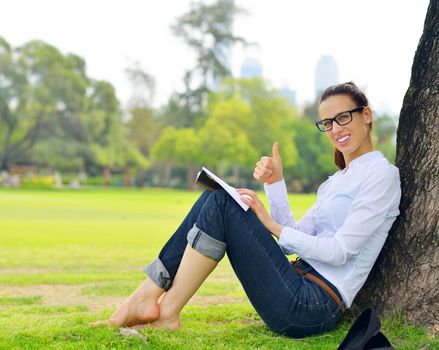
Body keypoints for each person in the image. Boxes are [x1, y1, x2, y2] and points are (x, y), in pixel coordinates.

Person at [91, 81, 401, 338]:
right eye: (327, 123)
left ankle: (162, 308)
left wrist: (270, 224)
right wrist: (276, 182)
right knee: (217, 198)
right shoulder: (336, 182)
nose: (336, 129)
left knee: (223, 202)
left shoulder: (381, 175)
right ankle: (148, 299)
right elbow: (291, 239)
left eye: (343, 117)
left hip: (313, 306)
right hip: (294, 284)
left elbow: (340, 251)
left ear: (367, 115)